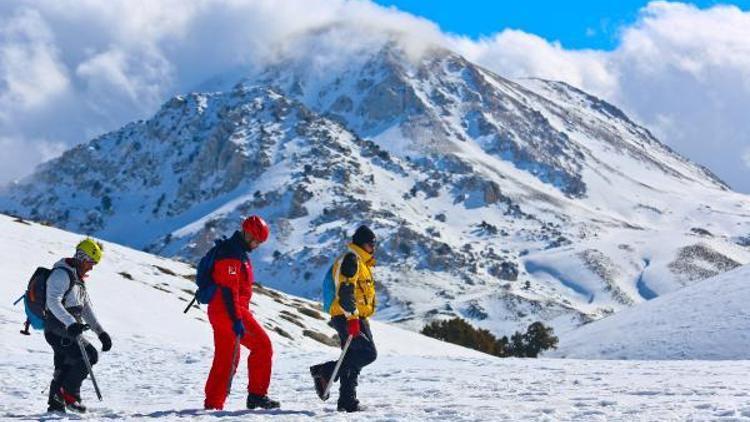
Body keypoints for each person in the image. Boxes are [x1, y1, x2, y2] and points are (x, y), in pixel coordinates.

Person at [203, 215, 280, 410]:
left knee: (226, 356)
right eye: (255, 240)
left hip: (225, 309)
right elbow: (229, 289)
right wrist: (237, 318)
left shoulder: (238, 251)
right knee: (261, 346)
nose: (256, 245)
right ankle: (254, 396)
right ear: (246, 233)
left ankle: (214, 402)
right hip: (229, 311)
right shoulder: (231, 253)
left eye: (259, 242)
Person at [310, 225, 378, 412]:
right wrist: (352, 317)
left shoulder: (361, 263)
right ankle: (325, 371)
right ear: (365, 244)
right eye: (373, 244)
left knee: (352, 356)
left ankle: (347, 401)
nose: (374, 247)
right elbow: (345, 290)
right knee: (367, 353)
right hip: (348, 315)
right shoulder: (351, 259)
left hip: (354, 316)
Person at [45, 238, 111, 413]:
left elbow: (86, 309)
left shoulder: (78, 279)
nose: (91, 267)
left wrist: (101, 332)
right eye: (91, 262)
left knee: (65, 364)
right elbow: (52, 301)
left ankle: (56, 405)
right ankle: (70, 395)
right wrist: (70, 323)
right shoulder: (61, 274)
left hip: (67, 329)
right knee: (89, 355)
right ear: (82, 257)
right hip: (57, 329)